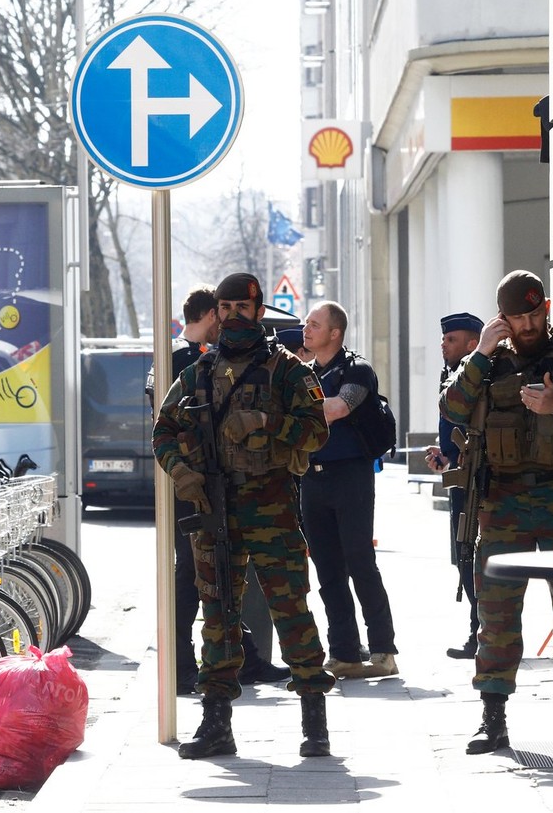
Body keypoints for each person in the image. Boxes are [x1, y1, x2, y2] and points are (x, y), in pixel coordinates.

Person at [153, 272, 335, 760]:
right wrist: (183, 475)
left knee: (290, 609)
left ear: (259, 310)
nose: (233, 316)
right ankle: (216, 723)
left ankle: (314, 720)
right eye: (225, 308)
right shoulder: (197, 373)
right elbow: (163, 431)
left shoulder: (288, 371)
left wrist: (265, 423)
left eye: (242, 307)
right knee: (217, 615)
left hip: (271, 506)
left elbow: (316, 432)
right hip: (215, 507)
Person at [440, 270, 553, 755]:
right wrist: (479, 354)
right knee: (496, 611)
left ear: (547, 307)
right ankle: (492, 718)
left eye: (533, 313)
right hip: (503, 500)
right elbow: (452, 407)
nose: (527, 323)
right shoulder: (487, 362)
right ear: (502, 318)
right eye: (516, 317)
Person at [148, 285, 291, 695]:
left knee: (221, 569)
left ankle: (244, 655)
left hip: (225, 481)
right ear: (213, 314)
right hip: (189, 484)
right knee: (193, 573)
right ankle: (180, 665)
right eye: (225, 312)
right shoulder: (177, 360)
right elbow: (165, 424)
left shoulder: (202, 358)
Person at [300, 301, 399, 680]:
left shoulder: (357, 369)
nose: (306, 330)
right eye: (306, 324)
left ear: (334, 333)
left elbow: (340, 407)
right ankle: (343, 653)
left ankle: (384, 651)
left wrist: (293, 410)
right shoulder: (305, 373)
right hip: (313, 478)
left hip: (351, 476)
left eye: (314, 324)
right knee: (327, 569)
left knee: (359, 562)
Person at [423, 312, 483, 660]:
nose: (443, 345)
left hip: (478, 481)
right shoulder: (451, 375)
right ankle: (477, 632)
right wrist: (443, 456)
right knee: (463, 557)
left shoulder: (479, 377)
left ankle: (483, 635)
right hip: (460, 477)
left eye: (451, 339)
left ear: (472, 344)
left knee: (474, 558)